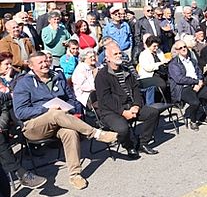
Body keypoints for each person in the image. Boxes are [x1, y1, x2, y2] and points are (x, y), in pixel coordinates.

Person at [13, 51, 118, 190]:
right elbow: (20, 112)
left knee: (70, 132)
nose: (45, 64)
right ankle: (96, 134)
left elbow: (71, 98)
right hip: (33, 126)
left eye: (46, 61)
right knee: (55, 113)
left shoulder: (57, 76)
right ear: (31, 66)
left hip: (59, 121)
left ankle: (75, 175)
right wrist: (46, 110)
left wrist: (69, 108)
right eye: (41, 63)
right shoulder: (24, 83)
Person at [95, 42, 159, 160]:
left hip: (130, 105)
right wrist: (123, 112)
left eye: (120, 53)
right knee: (123, 129)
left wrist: (136, 105)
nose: (119, 56)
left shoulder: (126, 70)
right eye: (115, 54)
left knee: (153, 113)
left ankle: (142, 143)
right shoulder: (102, 76)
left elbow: (136, 89)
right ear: (107, 58)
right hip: (111, 111)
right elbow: (106, 99)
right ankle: (129, 146)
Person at [0, 52, 47, 189]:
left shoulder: (18, 76)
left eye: (10, 64)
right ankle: (21, 173)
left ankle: (21, 173)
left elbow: (13, 97)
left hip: (9, 113)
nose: (10, 67)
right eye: (6, 64)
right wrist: (9, 93)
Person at [169, 40, 207, 130]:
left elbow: (199, 72)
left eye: (184, 47)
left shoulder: (192, 60)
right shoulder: (173, 64)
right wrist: (195, 82)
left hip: (198, 85)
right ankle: (193, 121)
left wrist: (200, 81)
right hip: (183, 88)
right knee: (195, 102)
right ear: (177, 50)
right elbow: (180, 79)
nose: (183, 49)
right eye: (180, 48)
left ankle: (204, 116)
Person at [137, 35, 169, 105]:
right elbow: (148, 68)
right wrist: (159, 64)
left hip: (160, 72)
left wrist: (165, 62)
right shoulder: (144, 54)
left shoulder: (159, 51)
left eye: (157, 46)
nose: (156, 48)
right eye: (154, 46)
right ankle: (158, 101)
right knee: (162, 84)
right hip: (148, 76)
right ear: (149, 45)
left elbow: (163, 59)